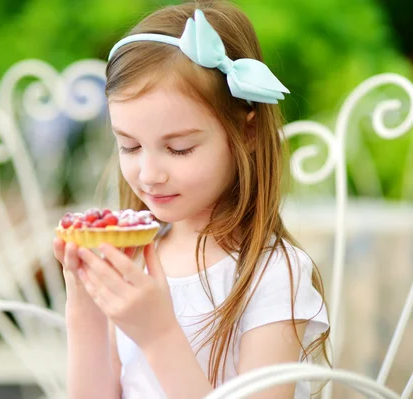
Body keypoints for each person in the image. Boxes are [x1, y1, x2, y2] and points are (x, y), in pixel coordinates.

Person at [52, 1, 330, 398]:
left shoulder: (271, 274)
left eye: (179, 148)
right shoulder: (136, 256)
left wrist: (159, 333)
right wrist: (85, 309)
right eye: (129, 146)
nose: (149, 174)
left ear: (246, 134)